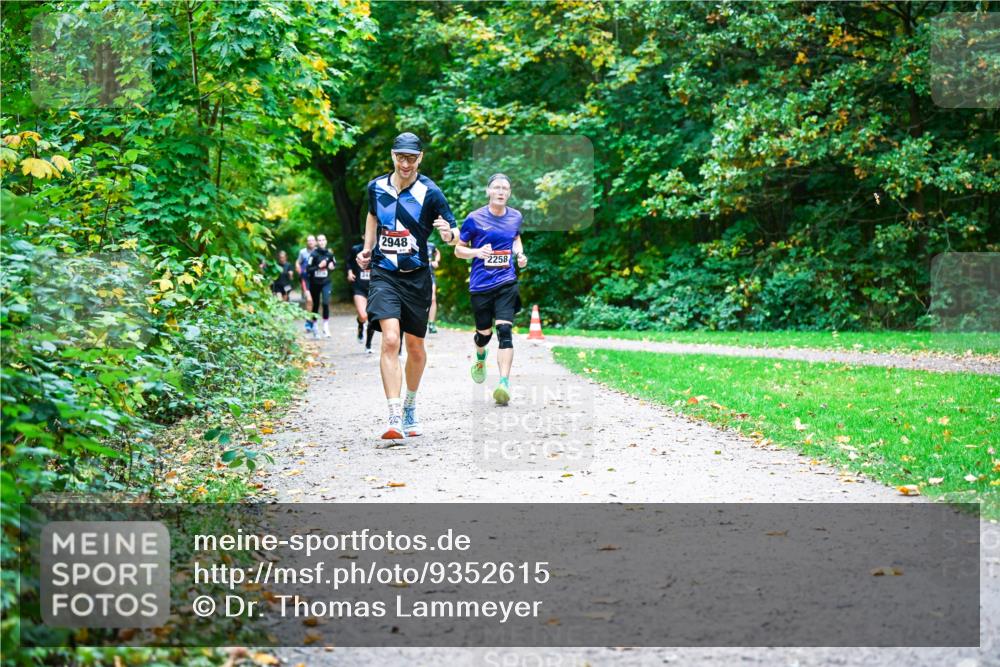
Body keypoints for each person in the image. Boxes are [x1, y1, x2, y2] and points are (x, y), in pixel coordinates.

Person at [356, 132, 458, 440]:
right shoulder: (376, 187)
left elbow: (454, 233)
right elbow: (372, 215)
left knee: (415, 347)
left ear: (420, 158)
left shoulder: (431, 192)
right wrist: (367, 248)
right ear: (392, 155)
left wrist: (448, 233)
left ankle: (410, 406)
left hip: (417, 277)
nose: (405, 164)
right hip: (384, 273)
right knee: (390, 340)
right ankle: (393, 416)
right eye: (401, 157)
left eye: (411, 158)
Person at [453, 173, 527, 405]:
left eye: (505, 188)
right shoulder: (474, 218)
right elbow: (458, 250)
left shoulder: (515, 216)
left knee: (505, 331)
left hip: (506, 281)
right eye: (496, 187)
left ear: (509, 193)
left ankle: (503, 383)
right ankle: (480, 355)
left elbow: (515, 238)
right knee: (484, 335)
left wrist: (519, 254)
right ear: (488, 191)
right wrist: (477, 252)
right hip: (481, 285)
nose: (501, 192)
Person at [347, 235, 375, 353]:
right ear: (363, 236)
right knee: (363, 316)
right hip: (359, 287)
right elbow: (349, 262)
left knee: (372, 318)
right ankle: (360, 325)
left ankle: (368, 345)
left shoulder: (379, 250)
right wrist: (349, 272)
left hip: (374, 289)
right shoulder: (356, 249)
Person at [307, 234, 336, 338]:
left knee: (325, 303)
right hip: (315, 283)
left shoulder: (329, 253)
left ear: (326, 241)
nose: (321, 242)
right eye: (319, 240)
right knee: (315, 304)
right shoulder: (313, 255)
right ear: (316, 242)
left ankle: (325, 327)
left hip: (326, 282)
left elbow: (334, 264)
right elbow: (308, 270)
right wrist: (318, 266)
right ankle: (315, 327)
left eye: (323, 240)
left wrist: (332, 266)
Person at [296, 235, 317, 333]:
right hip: (305, 278)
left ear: (315, 242)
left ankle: (313, 320)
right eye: (309, 241)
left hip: (316, 279)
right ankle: (308, 322)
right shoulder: (302, 252)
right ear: (306, 242)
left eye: (312, 240)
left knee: (315, 301)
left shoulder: (318, 251)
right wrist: (298, 269)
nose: (310, 242)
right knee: (309, 300)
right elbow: (298, 262)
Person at [426, 239, 442, 333]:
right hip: (416, 276)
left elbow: (437, 252)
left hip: (430, 275)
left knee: (432, 299)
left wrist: (436, 261)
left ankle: (431, 324)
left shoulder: (430, 245)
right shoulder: (412, 242)